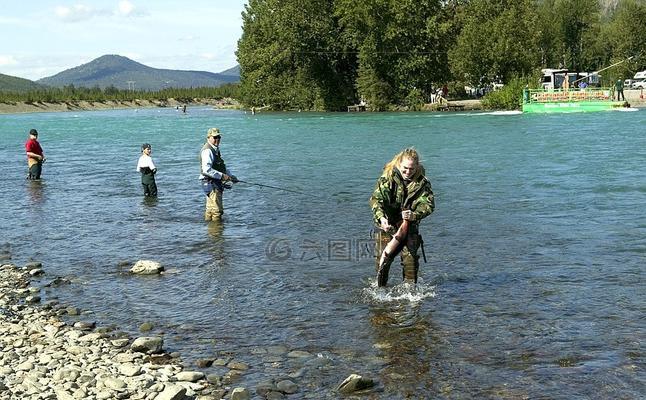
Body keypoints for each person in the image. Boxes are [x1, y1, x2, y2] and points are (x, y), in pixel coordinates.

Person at [369, 148, 435, 286]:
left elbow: (429, 206)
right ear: (399, 164)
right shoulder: (387, 177)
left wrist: (414, 215)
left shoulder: (423, 183)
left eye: (411, 169)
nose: (408, 172)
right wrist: (381, 218)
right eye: (405, 168)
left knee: (410, 263)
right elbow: (376, 200)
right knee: (382, 263)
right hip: (387, 226)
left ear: (417, 167)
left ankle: (411, 296)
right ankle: (380, 293)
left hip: (409, 227)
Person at [199, 128, 238, 221]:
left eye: (219, 137)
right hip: (211, 183)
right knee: (217, 211)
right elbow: (206, 170)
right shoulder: (207, 151)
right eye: (215, 137)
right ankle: (217, 234)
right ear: (208, 137)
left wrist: (230, 176)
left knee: (210, 210)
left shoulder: (215, 149)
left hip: (211, 183)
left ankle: (210, 232)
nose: (217, 139)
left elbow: (220, 165)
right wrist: (223, 176)